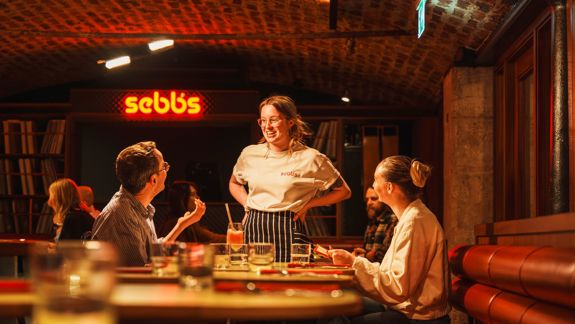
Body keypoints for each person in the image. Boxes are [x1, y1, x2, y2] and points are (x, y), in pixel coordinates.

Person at [229, 95, 351, 262]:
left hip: (288, 227)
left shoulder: (311, 157)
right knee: (255, 278)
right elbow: (234, 183)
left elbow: (343, 191)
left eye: (273, 120)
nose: (267, 126)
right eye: (263, 121)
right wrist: (247, 205)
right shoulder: (250, 153)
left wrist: (308, 204)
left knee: (289, 279)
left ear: (290, 122)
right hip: (253, 227)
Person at [329, 156, 450, 323]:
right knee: (336, 304)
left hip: (420, 317)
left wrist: (353, 262)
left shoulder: (415, 222)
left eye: (375, 180)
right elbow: (392, 277)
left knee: (336, 317)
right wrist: (353, 261)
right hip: (405, 308)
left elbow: (398, 288)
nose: (372, 186)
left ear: (389, 187)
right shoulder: (410, 217)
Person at [91, 141, 206, 266]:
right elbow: (140, 273)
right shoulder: (122, 216)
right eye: (164, 167)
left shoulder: (139, 207)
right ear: (154, 179)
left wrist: (181, 224)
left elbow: (153, 254)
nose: (167, 170)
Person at [158, 180, 226, 243]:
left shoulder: (190, 220)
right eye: (193, 194)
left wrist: (233, 237)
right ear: (181, 199)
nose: (198, 197)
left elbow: (209, 237)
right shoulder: (172, 223)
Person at [352, 187, 397, 263]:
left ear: (384, 200)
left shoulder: (393, 221)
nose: (369, 203)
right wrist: (359, 253)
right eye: (367, 200)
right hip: (370, 271)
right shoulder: (371, 224)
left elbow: (386, 255)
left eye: (373, 199)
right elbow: (368, 252)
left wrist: (364, 255)